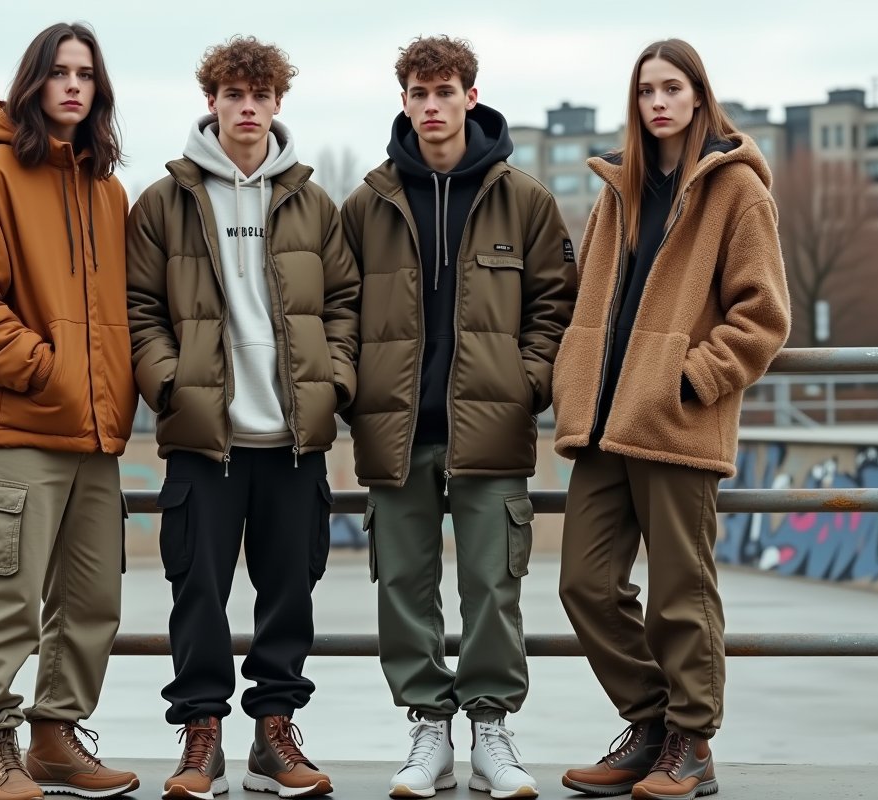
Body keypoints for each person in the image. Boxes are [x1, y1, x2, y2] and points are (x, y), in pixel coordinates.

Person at [552, 39, 791, 800]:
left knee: (680, 591)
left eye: (672, 88)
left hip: (677, 421)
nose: (658, 101)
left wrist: (693, 380)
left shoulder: (737, 190)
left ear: (698, 96)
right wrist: (570, 377)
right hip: (603, 422)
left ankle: (693, 743)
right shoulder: (616, 189)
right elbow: (584, 300)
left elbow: (764, 316)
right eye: (646, 90)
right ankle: (654, 725)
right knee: (584, 584)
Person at [341, 35, 577, 800]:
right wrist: (352, 387)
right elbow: (335, 311)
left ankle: (491, 731)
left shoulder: (525, 198)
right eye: (418, 93)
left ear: (470, 98)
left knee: (491, 586)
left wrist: (525, 384)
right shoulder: (367, 202)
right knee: (402, 587)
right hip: (396, 432)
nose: (432, 106)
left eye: (445, 92)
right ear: (404, 101)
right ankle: (427, 730)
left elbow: (556, 309)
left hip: (493, 431)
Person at [126, 35, 360, 800]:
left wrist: (335, 382)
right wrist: (171, 387)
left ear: (278, 104)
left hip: (293, 440)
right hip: (206, 439)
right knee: (198, 592)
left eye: (259, 95)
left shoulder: (313, 202)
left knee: (289, 591)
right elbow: (140, 310)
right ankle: (202, 738)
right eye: (233, 95)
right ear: (213, 103)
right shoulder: (164, 202)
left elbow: (346, 307)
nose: (247, 108)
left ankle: (274, 732)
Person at [0, 22, 139, 800]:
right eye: (59, 72)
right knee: (7, 599)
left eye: (86, 74)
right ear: (33, 85)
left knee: (92, 601)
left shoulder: (107, 190)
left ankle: (56, 739)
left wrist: (109, 392)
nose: (74, 86)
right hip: (22, 427)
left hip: (96, 437)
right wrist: (47, 371)